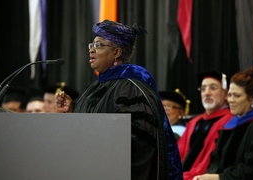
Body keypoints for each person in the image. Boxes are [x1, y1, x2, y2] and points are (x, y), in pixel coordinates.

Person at [55, 20, 182, 179]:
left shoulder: (129, 87)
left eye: (99, 45)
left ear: (116, 52)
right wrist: (73, 109)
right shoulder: (98, 86)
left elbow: (137, 140)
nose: (92, 50)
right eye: (92, 45)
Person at [193, 66, 253, 180]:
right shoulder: (229, 125)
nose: (230, 100)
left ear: (252, 98)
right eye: (230, 95)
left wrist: (219, 177)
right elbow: (216, 162)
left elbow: (251, 169)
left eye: (236, 95)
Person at [177, 71, 233, 180]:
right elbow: (177, 153)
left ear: (226, 94)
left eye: (213, 88)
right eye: (203, 89)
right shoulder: (193, 123)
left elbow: (209, 163)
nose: (207, 93)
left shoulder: (228, 122)